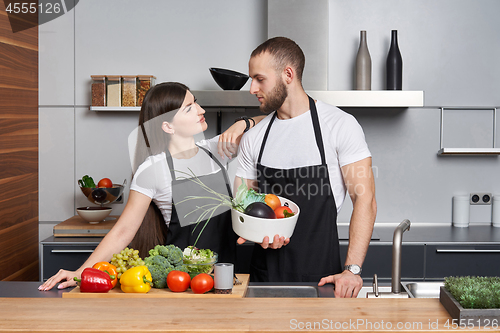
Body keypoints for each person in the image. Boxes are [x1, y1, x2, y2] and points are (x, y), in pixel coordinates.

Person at [39, 82, 263, 290]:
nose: (200, 110)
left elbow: (272, 121)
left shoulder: (217, 150)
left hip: (225, 277)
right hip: (181, 284)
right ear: (167, 126)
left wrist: (243, 123)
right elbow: (123, 232)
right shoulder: (153, 169)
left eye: (195, 101)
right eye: (189, 108)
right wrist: (80, 273)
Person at [234, 37, 377, 298]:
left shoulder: (339, 126)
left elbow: (364, 199)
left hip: (321, 278)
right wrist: (253, 231)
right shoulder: (254, 138)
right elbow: (243, 202)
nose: (252, 88)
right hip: (263, 277)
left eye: (259, 78)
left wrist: (352, 269)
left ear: (287, 74)